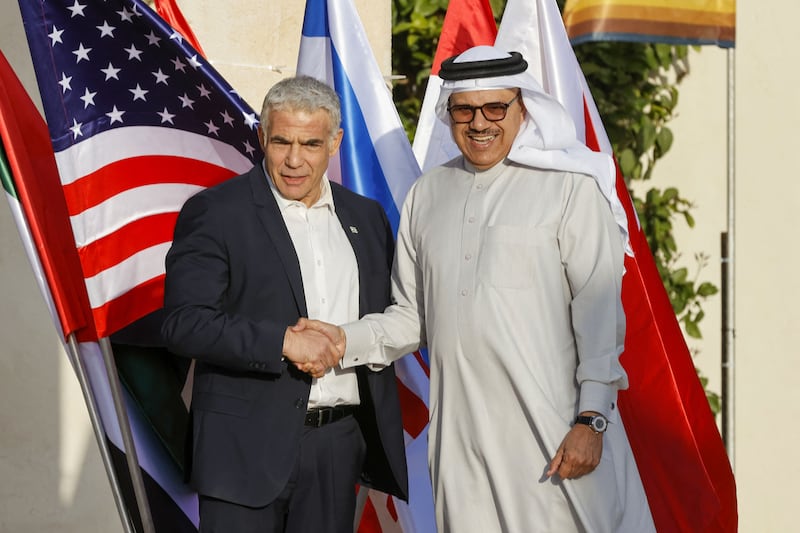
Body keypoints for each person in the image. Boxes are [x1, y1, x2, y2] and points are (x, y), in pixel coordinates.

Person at [299, 46, 655, 532]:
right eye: (464, 110)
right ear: (449, 115)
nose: (479, 122)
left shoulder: (569, 188)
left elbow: (598, 318)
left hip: (554, 433)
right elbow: (412, 316)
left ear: (522, 109)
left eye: (495, 108)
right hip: (461, 444)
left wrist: (591, 421)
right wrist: (343, 340)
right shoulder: (427, 195)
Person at [161, 75, 408, 533]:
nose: (294, 160)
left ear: (335, 141)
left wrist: (350, 342)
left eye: (310, 144)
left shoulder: (367, 217)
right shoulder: (217, 211)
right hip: (242, 450)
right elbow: (183, 323)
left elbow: (398, 315)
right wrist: (282, 343)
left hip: (337, 448)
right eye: (281, 142)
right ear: (262, 136)